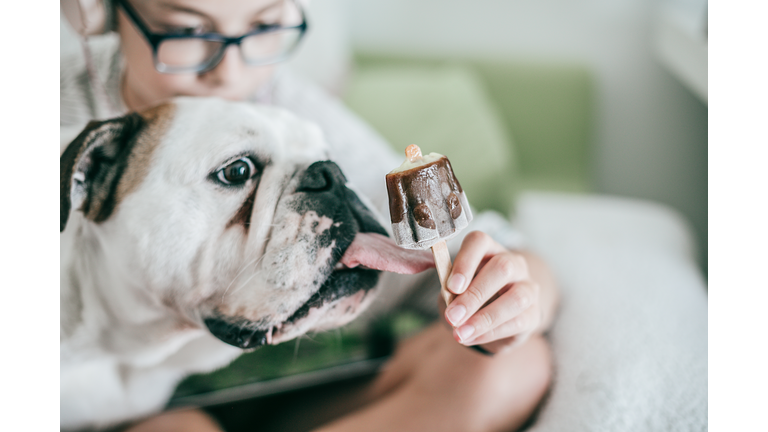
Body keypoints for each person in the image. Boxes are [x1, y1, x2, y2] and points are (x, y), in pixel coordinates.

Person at [60, 0, 560, 431]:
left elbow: (475, 254)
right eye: (188, 33)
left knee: (513, 366)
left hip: (264, 395)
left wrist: (506, 296)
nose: (229, 72)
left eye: (263, 27)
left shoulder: (288, 109)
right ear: (97, 12)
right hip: (149, 411)